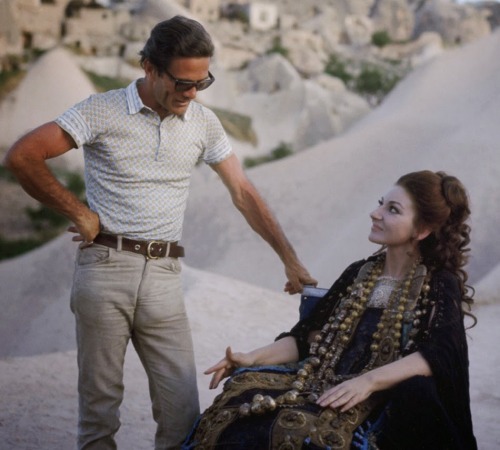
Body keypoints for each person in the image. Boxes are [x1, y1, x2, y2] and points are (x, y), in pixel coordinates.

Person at [3, 15, 316, 450]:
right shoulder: (100, 109)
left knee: (182, 413)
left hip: (167, 277)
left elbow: (243, 191)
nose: (191, 94)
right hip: (105, 269)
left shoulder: (204, 122)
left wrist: (289, 258)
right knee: (100, 413)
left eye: (201, 83)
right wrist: (78, 212)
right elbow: (23, 156)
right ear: (149, 67)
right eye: (182, 83)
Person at [184, 170, 478, 450]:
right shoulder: (359, 272)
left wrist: (368, 381)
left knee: (298, 433)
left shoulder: (438, 283)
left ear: (423, 229)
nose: (375, 214)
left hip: (377, 397)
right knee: (239, 397)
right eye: (380, 204)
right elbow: (304, 338)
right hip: (318, 380)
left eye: (393, 210)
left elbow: (439, 354)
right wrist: (250, 357)